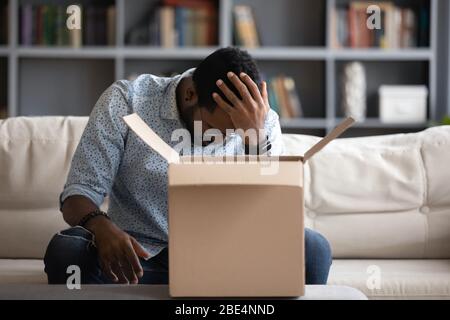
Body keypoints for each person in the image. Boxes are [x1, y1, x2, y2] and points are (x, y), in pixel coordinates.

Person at [44, 47, 332, 285]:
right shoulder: (127, 101)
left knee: (314, 249)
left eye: (233, 134)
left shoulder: (262, 121)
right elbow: (77, 195)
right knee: (67, 250)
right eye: (211, 128)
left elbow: (276, 216)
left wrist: (256, 138)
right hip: (140, 260)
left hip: (227, 257)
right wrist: (102, 228)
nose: (217, 141)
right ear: (190, 95)